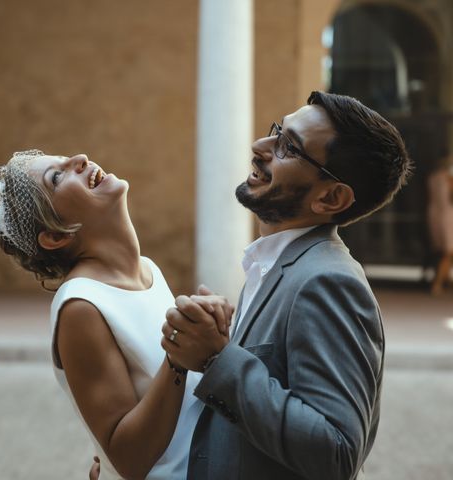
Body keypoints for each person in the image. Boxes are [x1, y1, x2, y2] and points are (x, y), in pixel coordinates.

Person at [161, 91, 412, 480]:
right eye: (277, 132)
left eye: (288, 147)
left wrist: (216, 359)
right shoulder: (273, 264)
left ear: (330, 197)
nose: (260, 147)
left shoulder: (328, 282)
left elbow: (337, 451)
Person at [0, 150, 234, 480]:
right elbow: (129, 459)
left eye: (64, 159)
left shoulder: (148, 270)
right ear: (57, 235)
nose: (80, 158)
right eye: (57, 177)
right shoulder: (81, 307)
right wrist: (177, 356)